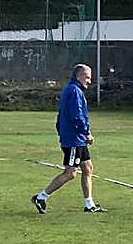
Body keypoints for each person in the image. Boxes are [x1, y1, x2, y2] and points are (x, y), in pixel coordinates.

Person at [31, 63, 106, 213]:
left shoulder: (71, 90)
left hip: (75, 138)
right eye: (88, 77)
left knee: (87, 168)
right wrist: (86, 133)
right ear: (79, 76)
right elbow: (76, 115)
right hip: (74, 139)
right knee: (70, 173)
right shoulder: (74, 91)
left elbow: (60, 117)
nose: (89, 81)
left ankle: (89, 204)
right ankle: (41, 197)